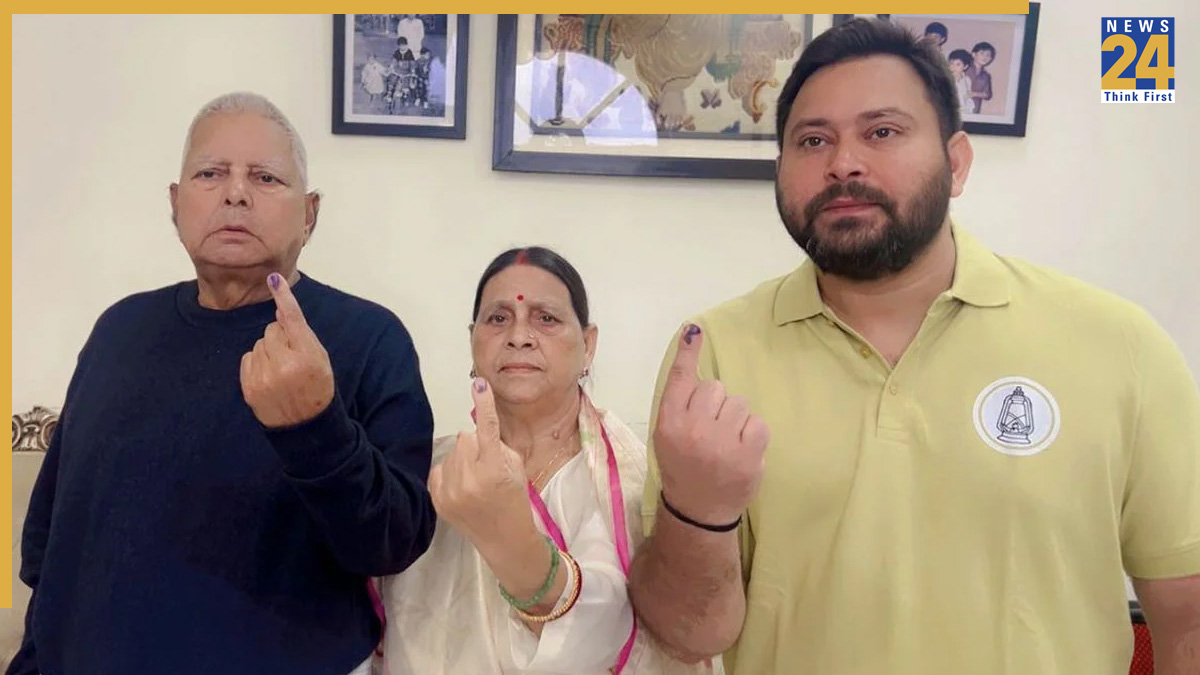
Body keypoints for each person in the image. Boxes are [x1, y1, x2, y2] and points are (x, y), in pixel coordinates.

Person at [629, 17, 1200, 675]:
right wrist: (698, 512)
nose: (843, 162)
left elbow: (1186, 620)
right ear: (780, 171)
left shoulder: (1117, 345)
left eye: (882, 132)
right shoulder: (715, 355)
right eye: (813, 140)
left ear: (956, 163)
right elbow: (688, 637)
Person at [9, 92, 436, 675]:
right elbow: (51, 540)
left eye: (265, 177)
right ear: (175, 202)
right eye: (210, 173)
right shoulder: (119, 328)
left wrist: (315, 428)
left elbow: (394, 542)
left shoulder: (368, 338)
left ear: (309, 213)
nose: (235, 194)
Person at [376, 247, 720, 675]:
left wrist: (511, 546)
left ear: (588, 345)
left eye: (546, 318)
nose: (519, 336)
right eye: (498, 318)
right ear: (472, 340)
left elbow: (614, 633)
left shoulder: (631, 478)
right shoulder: (436, 471)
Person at [968, 40, 995, 114]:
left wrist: (974, 94)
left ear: (990, 59)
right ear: (973, 54)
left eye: (988, 55)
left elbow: (988, 95)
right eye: (982, 53)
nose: (985, 57)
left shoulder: (986, 76)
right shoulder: (963, 68)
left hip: (974, 110)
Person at [947, 48, 974, 114]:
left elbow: (968, 99)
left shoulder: (967, 80)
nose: (953, 67)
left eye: (958, 64)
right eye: (951, 63)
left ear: (965, 67)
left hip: (964, 112)